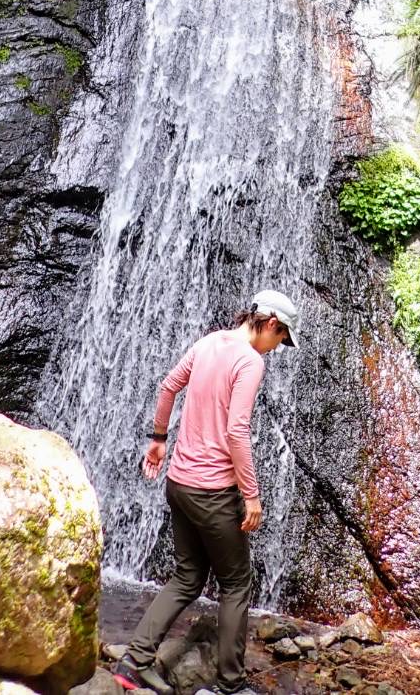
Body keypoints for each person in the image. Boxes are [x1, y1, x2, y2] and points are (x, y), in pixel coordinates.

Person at [113, 288, 302, 695]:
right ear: (270, 324)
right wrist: (251, 494)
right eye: (281, 339)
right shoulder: (249, 361)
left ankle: (133, 663)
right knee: (236, 583)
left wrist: (159, 438)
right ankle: (230, 685)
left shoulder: (208, 342)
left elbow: (167, 386)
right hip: (213, 491)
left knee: (188, 576)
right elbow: (237, 430)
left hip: (178, 483)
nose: (277, 348)